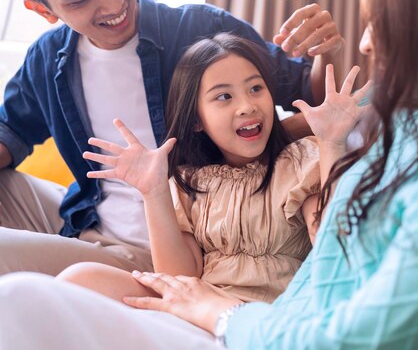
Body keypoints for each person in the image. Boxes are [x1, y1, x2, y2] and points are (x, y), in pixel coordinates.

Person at [0, 0, 418, 349]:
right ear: (42, 9)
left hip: (226, 297)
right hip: (148, 253)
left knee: (23, 297)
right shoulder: (411, 131)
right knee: (50, 278)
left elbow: (304, 95)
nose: (366, 44)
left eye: (378, 21)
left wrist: (221, 311)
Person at [0, 0, 344, 276]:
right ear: (43, 9)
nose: (112, 4)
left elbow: (313, 99)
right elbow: (11, 129)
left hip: (153, 246)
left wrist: (323, 49)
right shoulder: (47, 57)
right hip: (84, 216)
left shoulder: (202, 28)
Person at [55, 33, 339, 304]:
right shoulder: (190, 181)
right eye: (224, 97)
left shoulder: (301, 162)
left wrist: (332, 143)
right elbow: (177, 279)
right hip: (198, 306)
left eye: (256, 88)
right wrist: (153, 192)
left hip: (261, 317)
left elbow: (334, 248)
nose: (247, 106)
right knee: (78, 278)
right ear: (196, 121)